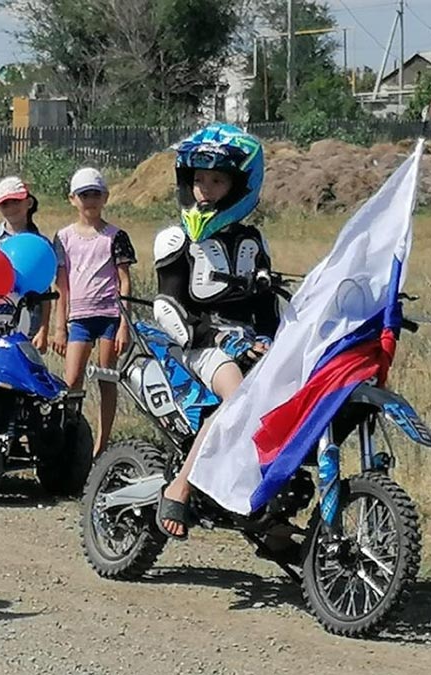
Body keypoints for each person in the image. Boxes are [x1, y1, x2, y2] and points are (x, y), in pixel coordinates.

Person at [152, 123, 280, 539]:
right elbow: (168, 302)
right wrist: (206, 334)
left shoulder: (253, 241)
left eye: (217, 180)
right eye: (199, 179)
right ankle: (181, 486)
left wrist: (272, 341)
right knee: (238, 396)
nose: (204, 189)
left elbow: (268, 308)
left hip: (247, 342)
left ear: (239, 186)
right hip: (201, 343)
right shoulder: (175, 237)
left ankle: (266, 497)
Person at [51, 168, 136, 457]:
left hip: (110, 316)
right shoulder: (63, 238)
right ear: (72, 199)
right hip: (79, 318)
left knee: (107, 379)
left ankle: (102, 445)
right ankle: (70, 438)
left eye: (95, 194)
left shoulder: (115, 236)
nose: (90, 200)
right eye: (84, 195)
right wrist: (59, 327)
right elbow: (62, 286)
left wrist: (125, 324)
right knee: (72, 379)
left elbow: (124, 280)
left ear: (105, 197)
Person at [0, 176, 52, 352]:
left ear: (28, 202)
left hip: (30, 327)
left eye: (16, 202)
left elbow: (46, 291)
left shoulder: (40, 244)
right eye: (5, 204)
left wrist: (44, 329)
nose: (11, 208)